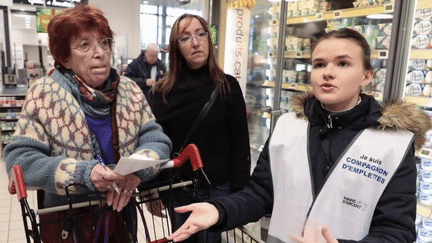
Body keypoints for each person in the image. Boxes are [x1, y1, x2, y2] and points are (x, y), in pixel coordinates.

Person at [167, 28, 432, 243]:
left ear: (367, 76)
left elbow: (397, 231)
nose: (327, 72)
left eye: (342, 63)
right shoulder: (287, 127)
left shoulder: (393, 144)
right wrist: (219, 209)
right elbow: (260, 194)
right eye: (319, 64)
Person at [4, 4, 172, 243]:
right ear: (64, 58)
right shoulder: (44, 95)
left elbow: (157, 141)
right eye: (85, 45)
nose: (100, 52)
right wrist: (83, 174)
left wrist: (137, 170)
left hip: (122, 222)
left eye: (104, 42)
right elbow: (19, 162)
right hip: (68, 226)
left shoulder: (130, 91)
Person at [148, 14, 251, 243]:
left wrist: (241, 197)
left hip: (218, 190)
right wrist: (153, 187)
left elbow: (240, 145)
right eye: (185, 38)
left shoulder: (227, 86)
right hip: (178, 188)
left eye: (201, 34)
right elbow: (155, 143)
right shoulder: (161, 93)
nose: (195, 42)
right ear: (176, 48)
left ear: (208, 39)